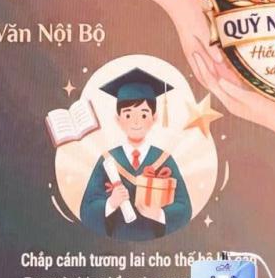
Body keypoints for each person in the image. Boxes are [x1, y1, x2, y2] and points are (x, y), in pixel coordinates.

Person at [79, 67, 192, 240]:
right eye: (128, 115)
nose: (136, 122)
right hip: (114, 244)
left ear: (154, 118)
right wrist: (110, 203)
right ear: (118, 119)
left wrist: (159, 214)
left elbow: (184, 207)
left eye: (144, 115)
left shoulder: (164, 159)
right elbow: (87, 209)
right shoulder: (108, 160)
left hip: (157, 244)